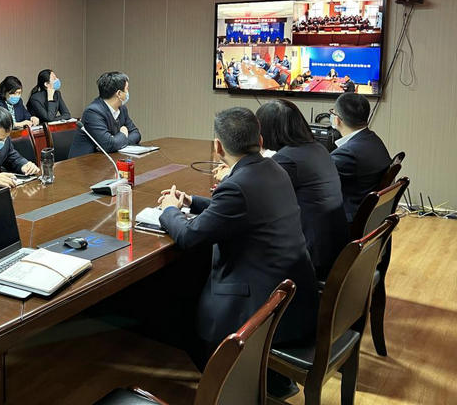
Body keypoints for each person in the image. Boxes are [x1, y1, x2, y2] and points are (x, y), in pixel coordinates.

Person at [156, 108, 317, 397]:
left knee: (176, 304)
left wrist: (169, 209)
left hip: (260, 308)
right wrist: (192, 202)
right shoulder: (274, 169)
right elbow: (241, 209)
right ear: (260, 139)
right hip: (293, 298)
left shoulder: (238, 185)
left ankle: (227, 384)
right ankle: (268, 380)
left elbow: (190, 237)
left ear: (218, 147)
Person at [256, 100, 348, 279]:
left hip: (310, 257)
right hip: (332, 248)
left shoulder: (287, 160)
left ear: (266, 130)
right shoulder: (318, 148)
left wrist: (232, 172)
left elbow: (255, 198)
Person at [329, 93, 391, 222]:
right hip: (370, 217)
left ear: (337, 119)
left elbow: (317, 183)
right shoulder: (373, 139)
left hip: (347, 220)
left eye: (333, 112)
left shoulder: (346, 155)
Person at [69, 71, 141, 158]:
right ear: (119, 93)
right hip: (85, 162)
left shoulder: (122, 109)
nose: (128, 92)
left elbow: (136, 134)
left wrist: (118, 142)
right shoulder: (93, 112)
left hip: (108, 158)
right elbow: (109, 145)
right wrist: (123, 134)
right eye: (127, 89)